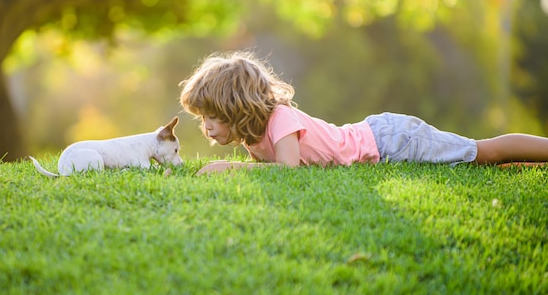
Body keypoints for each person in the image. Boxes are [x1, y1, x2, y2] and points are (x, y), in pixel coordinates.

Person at [179, 51, 548, 175]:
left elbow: (288, 173)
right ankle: (528, 165)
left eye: (212, 116)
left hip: (391, 140)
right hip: (382, 138)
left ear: (236, 108)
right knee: (474, 164)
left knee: (483, 151)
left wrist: (231, 169)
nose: (206, 127)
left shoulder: (280, 121)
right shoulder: (253, 135)